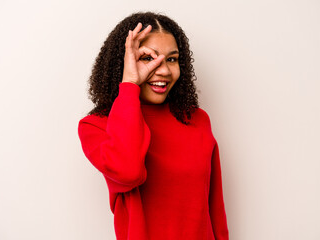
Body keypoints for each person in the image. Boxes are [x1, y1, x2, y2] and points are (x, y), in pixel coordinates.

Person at [78, 12, 229, 240]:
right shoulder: (97, 126)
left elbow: (215, 207)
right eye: (148, 58)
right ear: (124, 62)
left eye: (171, 59)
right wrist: (129, 85)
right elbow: (129, 172)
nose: (164, 70)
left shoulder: (197, 120)